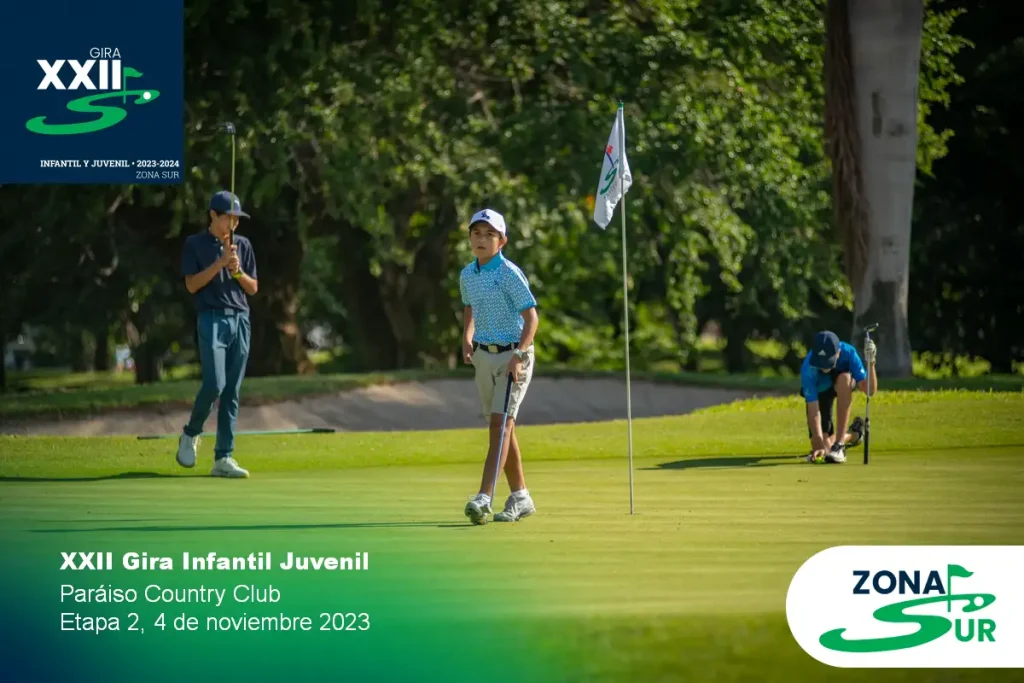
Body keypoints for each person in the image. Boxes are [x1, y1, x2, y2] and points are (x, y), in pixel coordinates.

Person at [459, 208, 540, 524]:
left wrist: (518, 355)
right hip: (483, 355)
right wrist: (467, 338)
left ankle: (484, 497)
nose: (482, 239)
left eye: (489, 234)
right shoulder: (468, 274)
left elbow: (531, 318)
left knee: (500, 426)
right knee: (503, 427)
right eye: (476, 233)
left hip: (512, 358)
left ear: (502, 241)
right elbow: (469, 307)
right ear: (470, 238)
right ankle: (521, 497)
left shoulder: (509, 273)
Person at [175, 191, 258, 478]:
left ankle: (223, 457)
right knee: (214, 384)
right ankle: (190, 433)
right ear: (213, 215)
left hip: (241, 319)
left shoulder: (242, 245)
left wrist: (237, 271)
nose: (234, 224)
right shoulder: (195, 244)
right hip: (212, 318)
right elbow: (191, 285)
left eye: (237, 219)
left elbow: (253, 288)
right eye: (228, 218)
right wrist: (221, 263)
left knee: (232, 391)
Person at [800, 330, 877, 463]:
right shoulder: (808, 367)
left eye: (827, 362)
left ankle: (840, 444)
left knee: (844, 378)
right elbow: (813, 408)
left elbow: (869, 390)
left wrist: (871, 363)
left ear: (838, 353)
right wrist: (818, 442)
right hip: (821, 391)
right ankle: (854, 434)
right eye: (821, 362)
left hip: (842, 384)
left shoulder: (849, 353)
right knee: (825, 448)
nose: (824, 367)